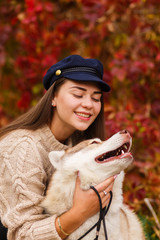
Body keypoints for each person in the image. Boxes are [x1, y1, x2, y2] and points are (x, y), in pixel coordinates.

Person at [0, 55, 115, 240]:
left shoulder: (76, 144)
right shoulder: (23, 147)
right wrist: (79, 213)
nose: (88, 104)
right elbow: (22, 235)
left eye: (96, 98)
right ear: (53, 97)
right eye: (78, 94)